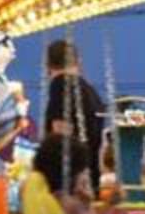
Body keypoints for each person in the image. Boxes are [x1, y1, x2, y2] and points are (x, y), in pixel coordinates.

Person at [43, 40, 105, 192]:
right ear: (78, 61)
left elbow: (61, 136)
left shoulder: (60, 85)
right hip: (90, 176)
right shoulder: (90, 91)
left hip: (71, 184)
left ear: (47, 66)